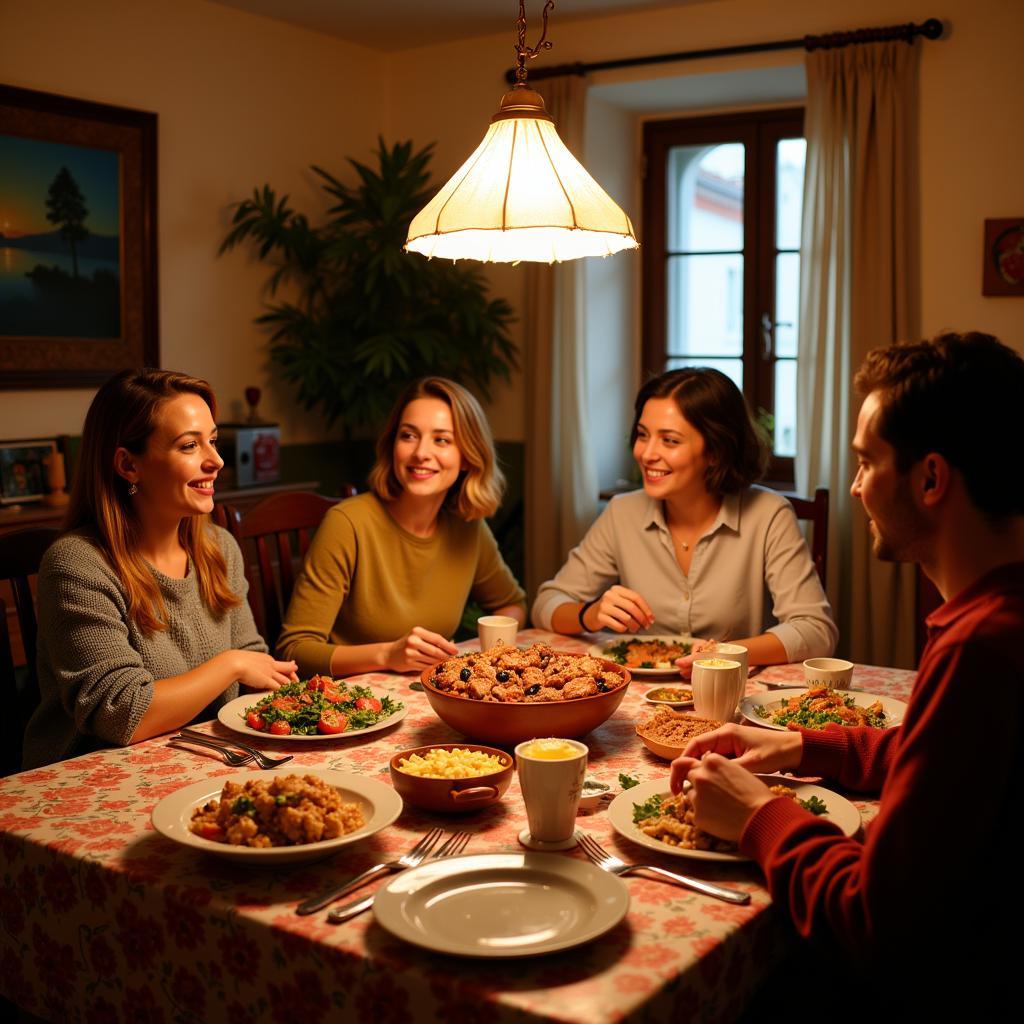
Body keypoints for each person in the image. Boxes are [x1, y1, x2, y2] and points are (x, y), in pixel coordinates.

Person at [670, 332, 1023, 1012]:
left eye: (867, 462)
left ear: (930, 479)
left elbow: (871, 924)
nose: (857, 486)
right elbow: (949, 761)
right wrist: (804, 745)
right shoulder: (999, 617)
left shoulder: (979, 650)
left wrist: (759, 814)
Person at [23, 369, 297, 769]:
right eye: (190, 446)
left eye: (213, 441)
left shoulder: (218, 547)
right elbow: (120, 714)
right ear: (128, 466)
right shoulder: (78, 564)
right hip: (94, 775)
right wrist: (231, 664)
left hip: (205, 759)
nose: (216, 461)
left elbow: (253, 664)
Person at [531, 367, 837, 674]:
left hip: (729, 697)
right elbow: (546, 604)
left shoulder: (769, 514)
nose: (647, 454)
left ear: (716, 450)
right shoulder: (622, 512)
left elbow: (815, 630)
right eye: (642, 435)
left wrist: (725, 655)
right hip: (636, 696)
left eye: (670, 441)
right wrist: (591, 614)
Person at [277, 377, 526, 678]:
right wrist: (387, 654)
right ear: (392, 445)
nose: (421, 452)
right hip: (348, 707)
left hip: (427, 698)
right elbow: (294, 650)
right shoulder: (347, 524)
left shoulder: (468, 528)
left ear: (467, 458)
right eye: (408, 436)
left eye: (442, 440)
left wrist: (491, 659)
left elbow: (512, 603)